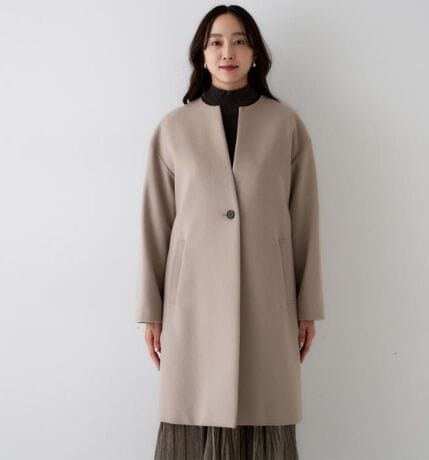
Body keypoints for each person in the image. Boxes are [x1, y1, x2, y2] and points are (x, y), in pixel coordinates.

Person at [136, 4, 325, 459]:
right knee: (193, 408)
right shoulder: (174, 128)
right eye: (216, 42)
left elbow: (305, 220)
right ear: (201, 55)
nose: (228, 52)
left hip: (267, 297)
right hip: (192, 301)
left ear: (255, 53)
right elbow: (155, 223)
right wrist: (151, 310)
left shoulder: (286, 125)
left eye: (240, 41)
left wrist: (308, 307)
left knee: (264, 407)